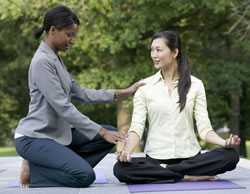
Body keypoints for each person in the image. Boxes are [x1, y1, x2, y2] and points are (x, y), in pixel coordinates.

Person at [15, 5, 142, 188]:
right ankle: (35, 172)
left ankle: (61, 165)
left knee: (109, 133)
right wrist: (102, 132)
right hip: (35, 137)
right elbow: (63, 107)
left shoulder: (55, 58)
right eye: (69, 34)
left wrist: (122, 93)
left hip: (57, 134)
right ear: (52, 30)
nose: (72, 40)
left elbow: (81, 93)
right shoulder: (42, 61)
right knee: (84, 177)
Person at [113, 30, 241, 184]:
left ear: (174, 52)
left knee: (231, 156)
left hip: (192, 159)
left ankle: (168, 174)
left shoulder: (195, 85)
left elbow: (204, 129)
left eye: (159, 50)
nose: (154, 55)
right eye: (152, 50)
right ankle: (185, 175)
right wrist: (127, 151)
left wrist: (225, 143)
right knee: (120, 168)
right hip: (156, 159)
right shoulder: (144, 87)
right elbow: (137, 128)